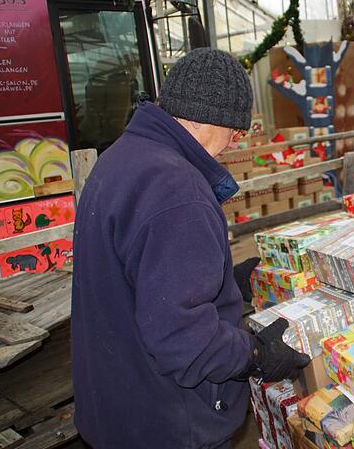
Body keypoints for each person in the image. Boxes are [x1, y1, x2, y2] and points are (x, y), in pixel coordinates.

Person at [71, 48, 310, 449]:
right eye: (236, 130)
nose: (235, 142)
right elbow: (187, 343)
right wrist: (256, 354)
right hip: (168, 424)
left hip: (119, 407)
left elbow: (141, 276)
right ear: (214, 120)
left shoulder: (122, 158)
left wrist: (224, 281)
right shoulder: (177, 190)